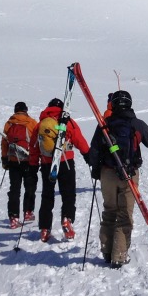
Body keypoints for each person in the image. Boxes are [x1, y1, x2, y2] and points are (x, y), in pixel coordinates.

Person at [86, 90, 148, 268]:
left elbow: (93, 152)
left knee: (109, 211)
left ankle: (106, 251)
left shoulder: (104, 125)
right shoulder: (136, 124)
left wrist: (96, 171)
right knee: (124, 215)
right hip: (129, 174)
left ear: (112, 104)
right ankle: (119, 255)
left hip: (107, 174)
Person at [36, 98, 90, 243]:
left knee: (47, 195)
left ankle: (45, 229)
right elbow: (79, 139)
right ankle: (67, 219)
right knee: (68, 193)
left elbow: (34, 146)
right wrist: (88, 155)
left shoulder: (41, 123)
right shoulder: (67, 121)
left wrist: (33, 164)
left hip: (47, 164)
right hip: (66, 161)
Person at [1, 102, 40, 228]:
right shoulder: (32, 122)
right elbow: (37, 141)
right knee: (30, 186)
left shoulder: (9, 123)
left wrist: (4, 158)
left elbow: (4, 143)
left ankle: (13, 217)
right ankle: (28, 211)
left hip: (13, 160)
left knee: (14, 189)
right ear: (26, 110)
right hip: (28, 160)